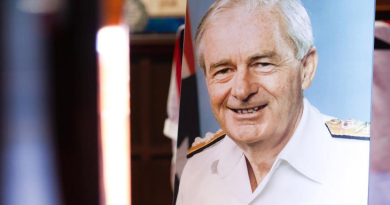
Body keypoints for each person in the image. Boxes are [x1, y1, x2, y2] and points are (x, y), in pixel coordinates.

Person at [176, 0, 370, 204]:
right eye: (223, 70)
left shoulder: (361, 162)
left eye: (262, 64)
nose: (241, 90)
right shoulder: (197, 169)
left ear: (306, 68)